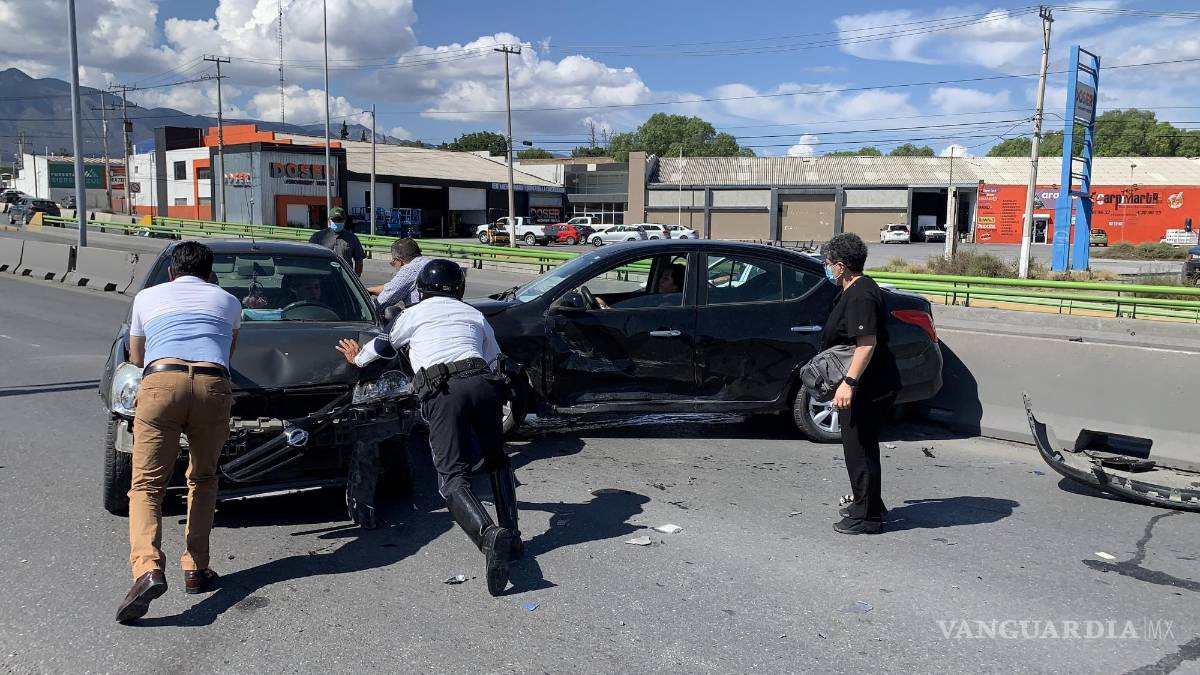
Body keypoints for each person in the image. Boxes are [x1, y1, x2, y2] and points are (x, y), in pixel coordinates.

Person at [334, 259, 521, 595]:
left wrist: (356, 358)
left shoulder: (414, 314)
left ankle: (489, 536)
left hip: (444, 390)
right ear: (459, 288)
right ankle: (514, 536)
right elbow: (494, 357)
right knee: (497, 461)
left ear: (422, 288)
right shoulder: (473, 314)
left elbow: (384, 345)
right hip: (484, 383)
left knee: (451, 477)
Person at [116, 241, 242, 623]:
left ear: (172, 272)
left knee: (147, 485)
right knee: (203, 478)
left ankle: (148, 569)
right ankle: (196, 568)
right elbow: (226, 350)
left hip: (161, 383)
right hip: (211, 385)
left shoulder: (147, 297)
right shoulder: (228, 301)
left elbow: (137, 357)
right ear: (209, 273)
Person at [821, 233, 901, 535]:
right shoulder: (853, 290)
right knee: (861, 447)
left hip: (869, 385)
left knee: (860, 450)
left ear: (842, 266)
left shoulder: (861, 295)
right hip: (866, 383)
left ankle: (866, 517)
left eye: (828, 264)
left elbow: (866, 344)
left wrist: (849, 383)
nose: (826, 268)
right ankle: (870, 503)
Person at [367, 238, 430, 311]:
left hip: (419, 318)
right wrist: (369, 290)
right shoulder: (429, 262)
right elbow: (391, 286)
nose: (394, 266)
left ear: (399, 260)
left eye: (393, 262)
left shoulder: (409, 269)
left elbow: (385, 299)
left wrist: (364, 311)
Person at [596, 262, 685, 309]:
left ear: (675, 287)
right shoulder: (659, 298)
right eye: (661, 277)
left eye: (665, 279)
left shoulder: (667, 305)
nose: (660, 281)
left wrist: (607, 309)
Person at [309, 206, 364, 275]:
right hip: (323, 276)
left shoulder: (352, 238)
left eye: (340, 220)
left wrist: (355, 279)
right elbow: (309, 259)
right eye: (335, 220)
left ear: (344, 220)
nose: (337, 222)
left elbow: (359, 260)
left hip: (344, 278)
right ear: (329, 220)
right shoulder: (317, 237)